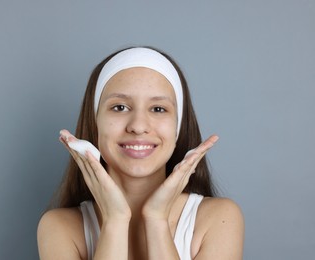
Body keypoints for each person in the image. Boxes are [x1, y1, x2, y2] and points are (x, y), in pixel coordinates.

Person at [37, 46, 244, 260]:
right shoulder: (59, 227)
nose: (138, 126)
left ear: (178, 127)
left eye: (158, 109)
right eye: (119, 107)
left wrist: (156, 220)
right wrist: (114, 221)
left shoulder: (219, 218)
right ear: (95, 122)